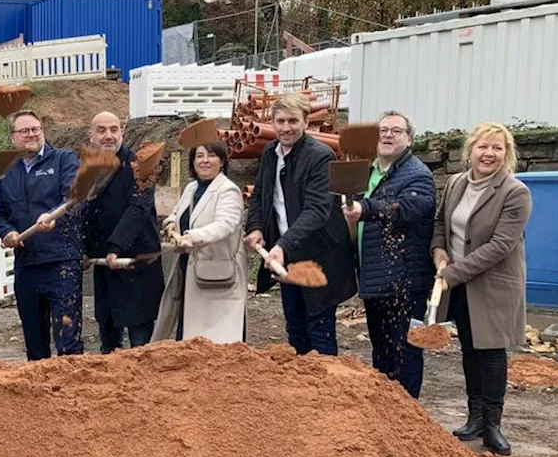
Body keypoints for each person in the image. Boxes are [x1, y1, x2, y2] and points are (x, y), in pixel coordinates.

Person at [431, 122, 531, 456]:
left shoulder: (515, 192)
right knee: (470, 351)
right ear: (470, 150)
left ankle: (492, 426)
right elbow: (440, 222)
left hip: (492, 285)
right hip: (458, 283)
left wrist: (453, 273)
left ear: (507, 154)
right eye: (482, 146)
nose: (489, 153)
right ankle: (474, 418)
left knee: (490, 352)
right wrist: (439, 251)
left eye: (497, 148)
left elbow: (501, 245)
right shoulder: (457, 183)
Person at [244, 93, 357, 355]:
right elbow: (260, 194)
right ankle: (303, 390)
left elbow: (317, 210)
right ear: (272, 122)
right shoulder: (270, 153)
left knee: (319, 327)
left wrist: (282, 245)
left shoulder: (321, 157)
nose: (286, 128)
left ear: (306, 122)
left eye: (292, 121)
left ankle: (324, 389)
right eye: (280, 121)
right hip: (288, 254)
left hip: (319, 256)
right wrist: (255, 227)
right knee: (295, 326)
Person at [342, 111, 436, 398]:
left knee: (404, 352)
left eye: (396, 131)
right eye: (383, 130)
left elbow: (405, 209)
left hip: (404, 282)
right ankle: (386, 416)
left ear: (409, 139)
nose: (387, 135)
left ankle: (407, 417)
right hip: (375, 277)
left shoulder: (418, 175)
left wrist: (365, 210)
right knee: (382, 352)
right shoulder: (366, 172)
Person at [0, 110, 83, 361]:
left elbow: (73, 198)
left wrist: (53, 215)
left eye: (36, 129)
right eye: (24, 131)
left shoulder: (64, 160)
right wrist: (7, 231)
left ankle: (73, 393)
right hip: (27, 264)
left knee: (67, 338)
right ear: (12, 138)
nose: (31, 135)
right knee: (34, 342)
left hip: (61, 262)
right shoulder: (5, 172)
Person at [80, 112, 163, 353]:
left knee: (140, 343)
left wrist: (116, 247)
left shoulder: (140, 165)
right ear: (91, 136)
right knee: (108, 341)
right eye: (102, 130)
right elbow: (85, 212)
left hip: (135, 263)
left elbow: (137, 210)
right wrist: (84, 249)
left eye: (114, 130)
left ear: (122, 133)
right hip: (105, 268)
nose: (108, 136)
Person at [152, 141, 247, 343]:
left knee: (219, 340)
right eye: (199, 156)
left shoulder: (228, 190)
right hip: (189, 271)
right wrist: (170, 225)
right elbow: (177, 214)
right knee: (190, 337)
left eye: (211, 155)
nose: (205, 161)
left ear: (222, 161)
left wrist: (191, 236)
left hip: (218, 275)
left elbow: (225, 224)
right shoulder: (192, 188)